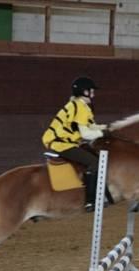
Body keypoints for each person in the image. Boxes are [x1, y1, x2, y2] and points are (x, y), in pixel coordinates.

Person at [42, 76, 107, 211]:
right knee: (94, 162)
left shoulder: (81, 106)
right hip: (62, 144)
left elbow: (91, 126)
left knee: (94, 153)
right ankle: (90, 201)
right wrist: (103, 133)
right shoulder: (79, 107)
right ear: (84, 92)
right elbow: (85, 134)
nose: (93, 94)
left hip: (68, 143)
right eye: (91, 91)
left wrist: (105, 128)